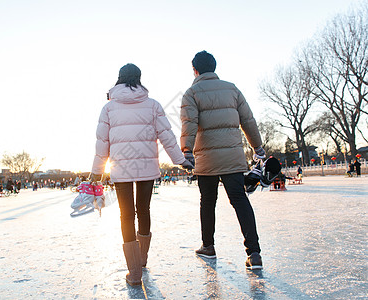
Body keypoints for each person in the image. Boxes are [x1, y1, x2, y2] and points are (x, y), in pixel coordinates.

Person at [90, 63, 193, 285]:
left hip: (121, 168)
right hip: (146, 167)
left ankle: (134, 271)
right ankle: (142, 259)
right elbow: (167, 136)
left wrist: (96, 173)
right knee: (143, 210)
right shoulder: (153, 105)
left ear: (119, 79)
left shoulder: (108, 108)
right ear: (139, 79)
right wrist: (181, 160)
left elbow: (102, 144)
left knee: (126, 215)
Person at [180, 51, 265, 270]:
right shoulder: (232, 89)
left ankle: (208, 246)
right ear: (214, 68)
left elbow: (189, 123)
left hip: (206, 157)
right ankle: (254, 253)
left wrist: (187, 151)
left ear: (195, 70)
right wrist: (258, 147)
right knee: (239, 199)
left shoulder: (192, 93)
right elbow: (248, 119)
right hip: (232, 155)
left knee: (207, 201)